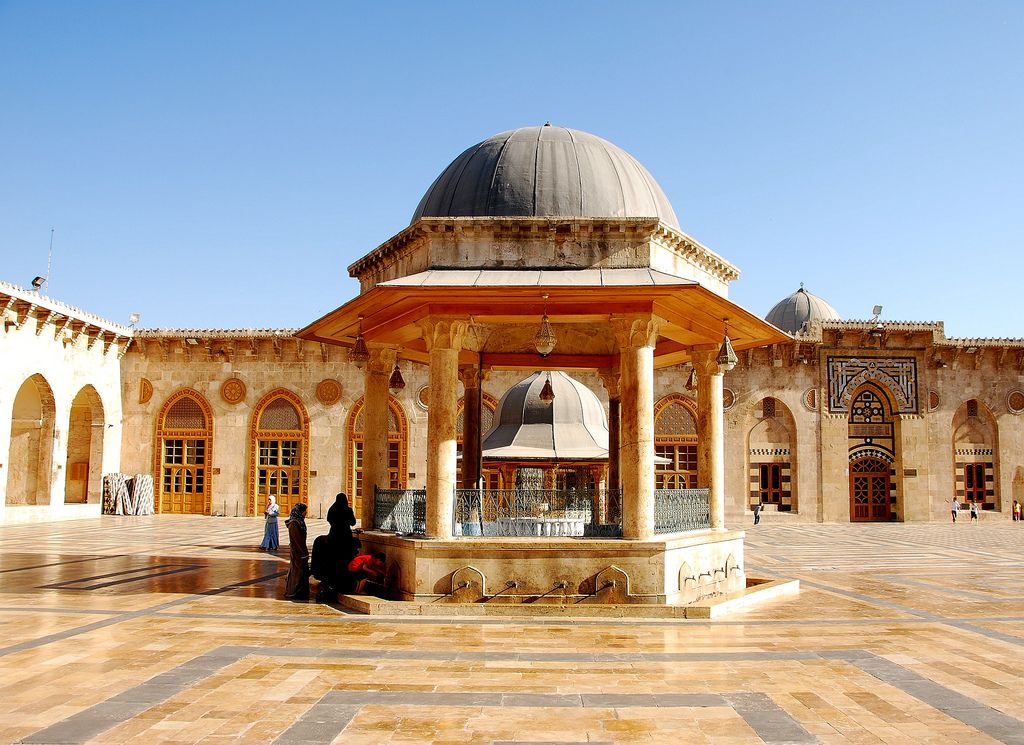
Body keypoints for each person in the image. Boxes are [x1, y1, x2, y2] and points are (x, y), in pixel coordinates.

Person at [283, 503, 309, 600]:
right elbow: (297, 539)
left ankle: (300, 592)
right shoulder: (294, 523)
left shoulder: (299, 521)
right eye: (304, 511)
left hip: (300, 550)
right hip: (298, 552)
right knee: (297, 572)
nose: (305, 513)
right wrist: (303, 553)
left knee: (301, 572)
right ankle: (293, 592)